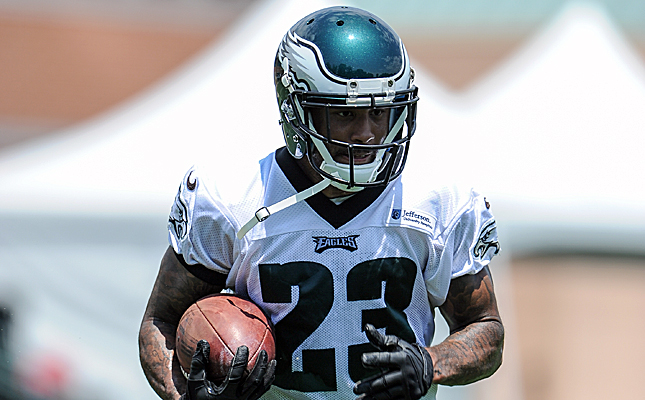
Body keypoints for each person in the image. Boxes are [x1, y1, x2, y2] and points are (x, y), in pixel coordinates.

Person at [139, 6, 504, 400]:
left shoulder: (437, 200)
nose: (367, 133)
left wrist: (430, 362)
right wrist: (187, 396)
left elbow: (486, 329)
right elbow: (160, 322)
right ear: (296, 109)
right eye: (345, 113)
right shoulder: (233, 199)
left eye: (379, 111)